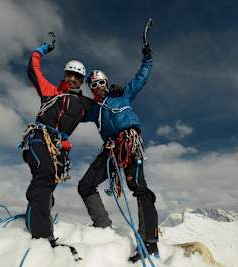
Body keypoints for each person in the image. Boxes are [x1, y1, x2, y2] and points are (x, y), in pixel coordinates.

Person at [77, 34, 159, 262]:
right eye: (93, 84)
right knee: (85, 185)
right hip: (110, 150)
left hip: (129, 144)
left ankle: (150, 244)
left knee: (140, 189)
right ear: (90, 88)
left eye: (100, 82)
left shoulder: (123, 95)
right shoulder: (93, 109)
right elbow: (74, 113)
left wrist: (147, 57)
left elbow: (141, 78)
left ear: (106, 82)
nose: (98, 86)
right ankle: (103, 227)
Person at [21, 37, 93, 249]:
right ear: (64, 74)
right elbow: (33, 68)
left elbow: (104, 108)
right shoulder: (50, 92)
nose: (72, 79)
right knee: (44, 176)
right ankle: (42, 237)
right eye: (69, 74)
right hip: (38, 141)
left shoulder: (84, 105)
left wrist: (112, 93)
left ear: (82, 81)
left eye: (77, 77)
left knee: (48, 184)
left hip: (58, 150)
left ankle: (36, 216)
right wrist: (43, 49)